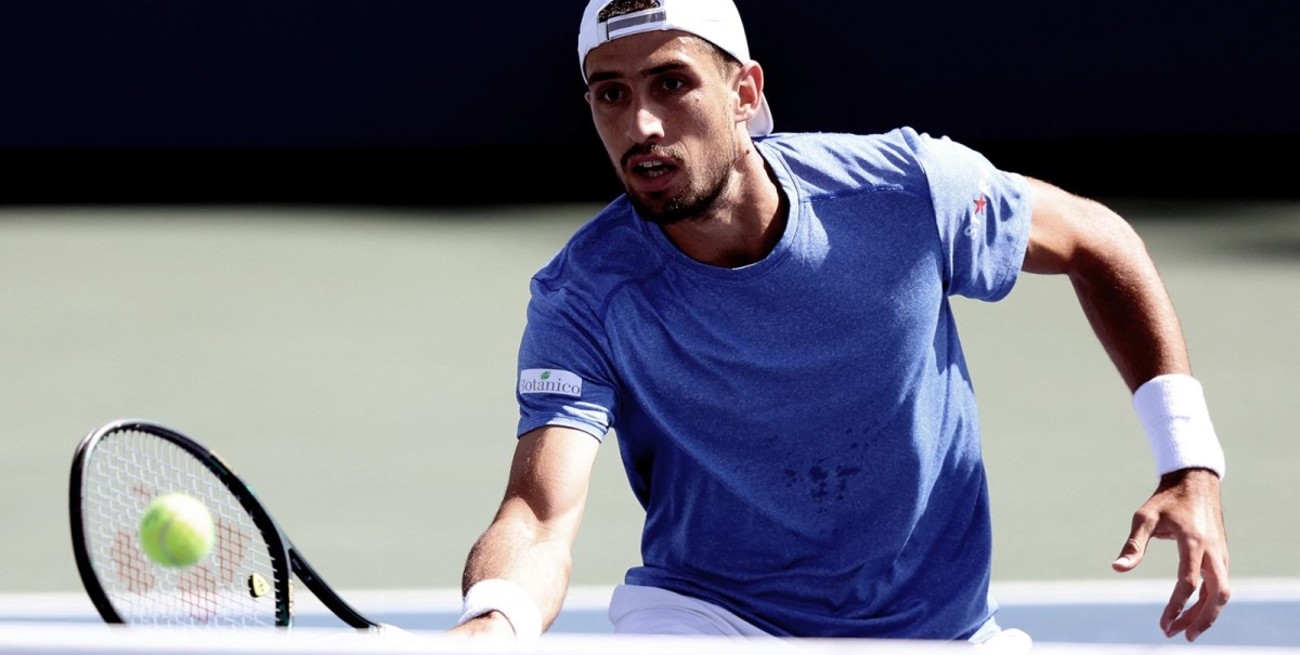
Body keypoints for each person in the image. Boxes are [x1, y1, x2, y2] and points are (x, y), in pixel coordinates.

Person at [448, 0, 1230, 648]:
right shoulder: (582, 293)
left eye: (672, 83)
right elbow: (538, 515)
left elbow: (1098, 240)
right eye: (611, 94)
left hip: (940, 629)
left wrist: (1189, 462)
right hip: (711, 620)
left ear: (744, 92)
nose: (642, 124)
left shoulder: (907, 191)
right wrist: (496, 619)